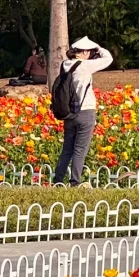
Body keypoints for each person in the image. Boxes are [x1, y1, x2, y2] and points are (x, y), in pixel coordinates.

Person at [53, 37, 113, 184]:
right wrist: (98, 48)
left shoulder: (65, 65)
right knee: (80, 149)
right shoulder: (84, 66)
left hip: (68, 112)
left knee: (67, 149)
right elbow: (108, 59)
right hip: (85, 111)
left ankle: (58, 180)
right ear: (84, 52)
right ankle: (75, 181)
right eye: (89, 52)